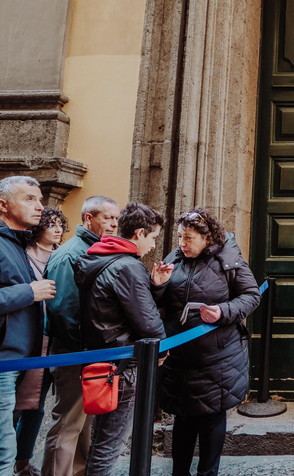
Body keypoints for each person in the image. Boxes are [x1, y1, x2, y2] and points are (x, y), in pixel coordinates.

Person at [154, 208, 260, 476]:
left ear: (207, 237)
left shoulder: (229, 259)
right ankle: (179, 472)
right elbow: (157, 302)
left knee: (212, 415)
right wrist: (157, 285)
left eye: (188, 238)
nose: (182, 243)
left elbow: (251, 295)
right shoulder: (175, 257)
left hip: (218, 355)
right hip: (178, 355)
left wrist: (223, 311)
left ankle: (207, 473)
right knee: (182, 415)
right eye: (179, 237)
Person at [75, 202, 171, 476]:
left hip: (100, 359)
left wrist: (153, 286)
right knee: (110, 444)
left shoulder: (96, 258)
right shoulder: (128, 267)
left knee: (100, 439)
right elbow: (149, 322)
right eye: (152, 237)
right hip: (122, 366)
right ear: (139, 233)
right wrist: (162, 351)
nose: (153, 245)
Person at [42, 196, 120, 476]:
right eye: (107, 217)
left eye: (115, 218)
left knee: (84, 423)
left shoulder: (98, 250)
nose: (113, 223)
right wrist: (85, 351)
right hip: (75, 353)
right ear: (89, 218)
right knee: (67, 425)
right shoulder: (70, 254)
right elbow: (63, 312)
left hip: (90, 352)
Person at [0, 176, 56, 476]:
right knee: (3, 449)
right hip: (3, 362)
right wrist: (29, 292)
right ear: (3, 205)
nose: (40, 206)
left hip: (16, 361)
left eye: (40, 199)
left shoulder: (15, 242)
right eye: (29, 199)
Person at [13, 208, 67, 476]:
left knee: (37, 405)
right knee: (18, 404)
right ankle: (11, 458)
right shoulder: (23, 255)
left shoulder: (64, 255)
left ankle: (22, 460)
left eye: (60, 225)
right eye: (51, 224)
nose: (57, 230)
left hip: (55, 339)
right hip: (27, 339)